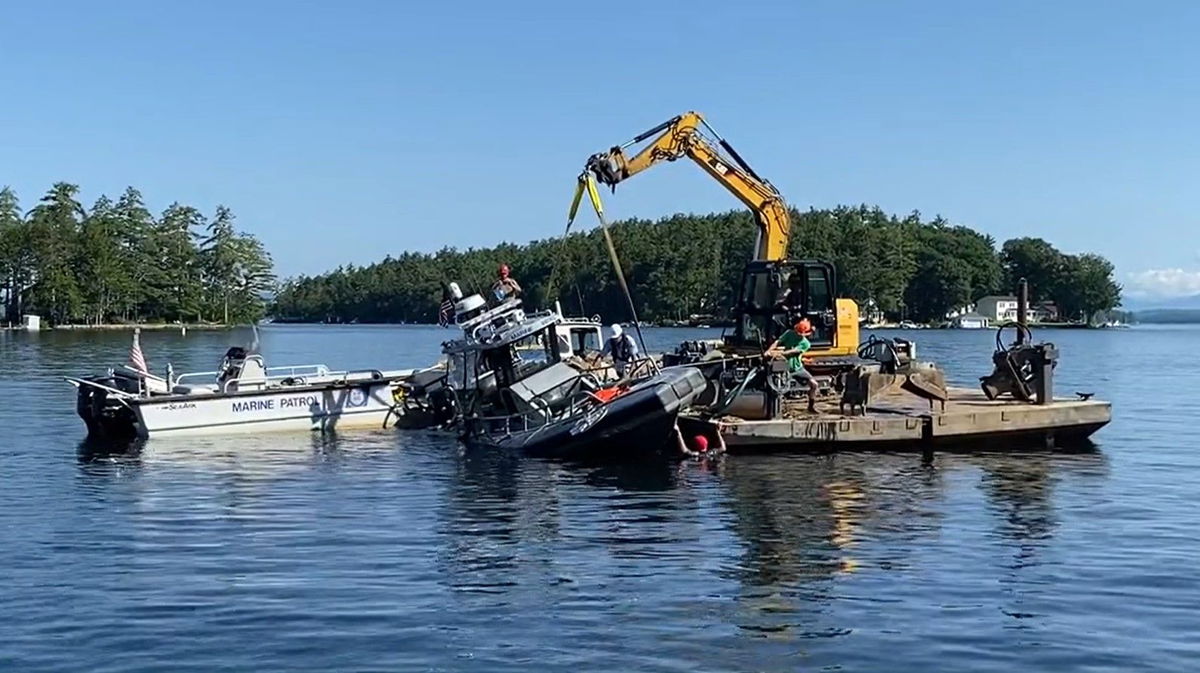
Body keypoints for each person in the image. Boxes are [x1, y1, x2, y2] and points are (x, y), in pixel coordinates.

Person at [766, 318, 819, 413]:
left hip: (797, 368)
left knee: (814, 384)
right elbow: (778, 342)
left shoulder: (806, 344)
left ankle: (811, 407)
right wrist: (769, 350)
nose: (798, 334)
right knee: (776, 387)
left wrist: (779, 354)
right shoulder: (789, 333)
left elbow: (793, 351)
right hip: (784, 368)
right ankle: (774, 409)